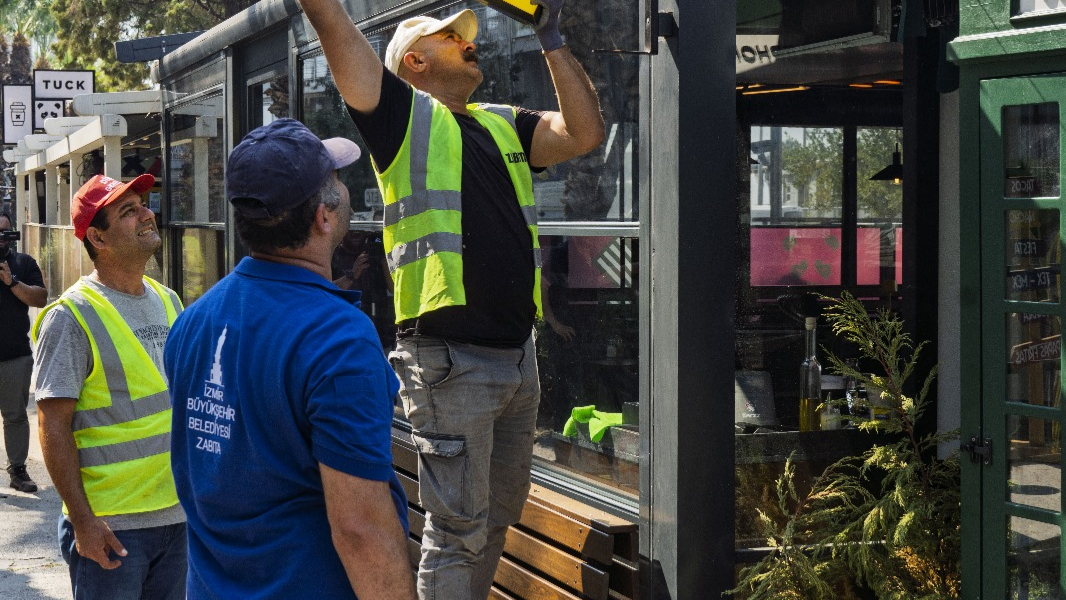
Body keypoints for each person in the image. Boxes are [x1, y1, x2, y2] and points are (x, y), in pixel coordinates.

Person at [297, 0, 605, 596]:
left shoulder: (501, 123)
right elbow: (338, 34)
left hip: (518, 357)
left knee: (495, 519)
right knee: (457, 532)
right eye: (450, 37)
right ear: (414, 63)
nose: (470, 42)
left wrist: (551, 37)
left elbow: (584, 132)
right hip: (449, 361)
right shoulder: (401, 118)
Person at [163, 118, 416, 600]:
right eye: (337, 180)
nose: (345, 189)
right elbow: (360, 529)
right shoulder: (338, 339)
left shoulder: (192, 322)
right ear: (324, 217)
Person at [32, 174, 187, 600]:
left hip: (177, 514)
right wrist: (83, 521)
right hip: (112, 528)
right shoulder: (72, 317)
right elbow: (52, 425)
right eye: (128, 211)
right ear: (97, 238)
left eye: (143, 204)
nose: (146, 214)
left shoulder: (169, 300)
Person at [0, 212, 47, 493]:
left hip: (15, 356)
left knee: (15, 416)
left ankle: (17, 470)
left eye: (5, 232)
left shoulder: (23, 263)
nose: (1, 238)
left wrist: (12, 282)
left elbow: (41, 298)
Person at [332, 230, 396, 350]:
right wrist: (352, 275)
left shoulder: (375, 255)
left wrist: (384, 257)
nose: (356, 234)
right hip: (346, 334)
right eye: (351, 230)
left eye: (361, 231)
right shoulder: (334, 255)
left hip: (379, 333)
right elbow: (327, 291)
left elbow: (393, 288)